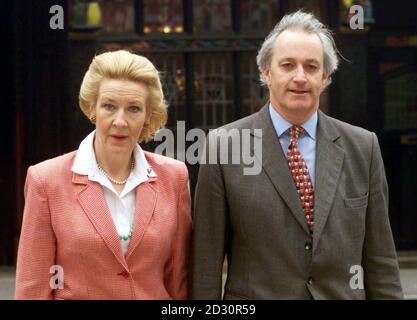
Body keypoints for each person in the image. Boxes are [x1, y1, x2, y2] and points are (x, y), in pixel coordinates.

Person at [191, 11, 403, 299]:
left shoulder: (363, 148)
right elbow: (205, 262)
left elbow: (381, 261)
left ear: (326, 76)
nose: (300, 77)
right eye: (288, 65)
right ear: (266, 72)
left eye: (311, 66)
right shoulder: (223, 147)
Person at [15, 50, 192, 300]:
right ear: (91, 109)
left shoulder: (174, 177)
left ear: (148, 114)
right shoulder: (46, 180)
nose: (120, 121)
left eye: (133, 109)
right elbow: (33, 287)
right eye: (109, 106)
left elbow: (178, 279)